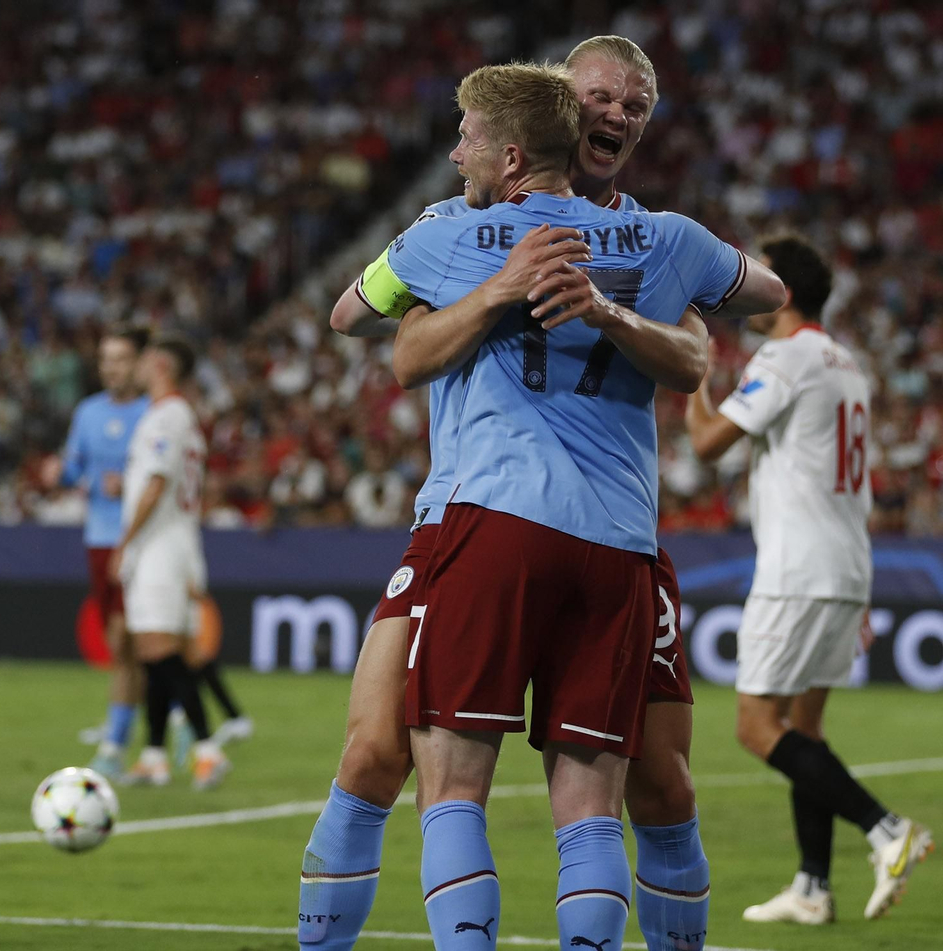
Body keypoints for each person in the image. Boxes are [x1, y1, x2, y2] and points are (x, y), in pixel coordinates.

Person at [305, 37, 780, 951]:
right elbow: (762, 292)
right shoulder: (654, 238)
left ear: (510, 146)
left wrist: (595, 306)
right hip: (479, 515)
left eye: (637, 107)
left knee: (642, 784)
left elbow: (692, 357)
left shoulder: (636, 235)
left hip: (529, 522)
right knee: (375, 749)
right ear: (560, 101)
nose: (618, 115)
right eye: (603, 96)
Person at [685, 235, 933, 924]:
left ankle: (888, 830)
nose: (746, 294)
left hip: (798, 567)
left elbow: (708, 446)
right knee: (805, 729)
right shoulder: (846, 361)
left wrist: (691, 376)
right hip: (847, 562)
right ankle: (812, 885)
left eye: (757, 282)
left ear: (782, 293)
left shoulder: (787, 357)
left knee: (757, 726)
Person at [109, 334, 230, 790]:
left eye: (141, 360)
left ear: (159, 364)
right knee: (153, 653)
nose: (135, 367)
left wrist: (125, 542)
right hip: (175, 541)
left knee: (160, 653)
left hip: (160, 547)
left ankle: (206, 748)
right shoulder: (180, 417)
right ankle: (156, 755)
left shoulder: (167, 415)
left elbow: (156, 483)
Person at [57, 326, 151, 776]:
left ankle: (118, 742)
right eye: (105, 359)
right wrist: (74, 475)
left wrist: (128, 483)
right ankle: (145, 730)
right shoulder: (88, 412)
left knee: (133, 639)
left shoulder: (153, 412)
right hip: (98, 537)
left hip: (140, 540)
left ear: (139, 363)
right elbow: (71, 468)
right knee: (121, 644)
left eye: (120, 359)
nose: (111, 368)